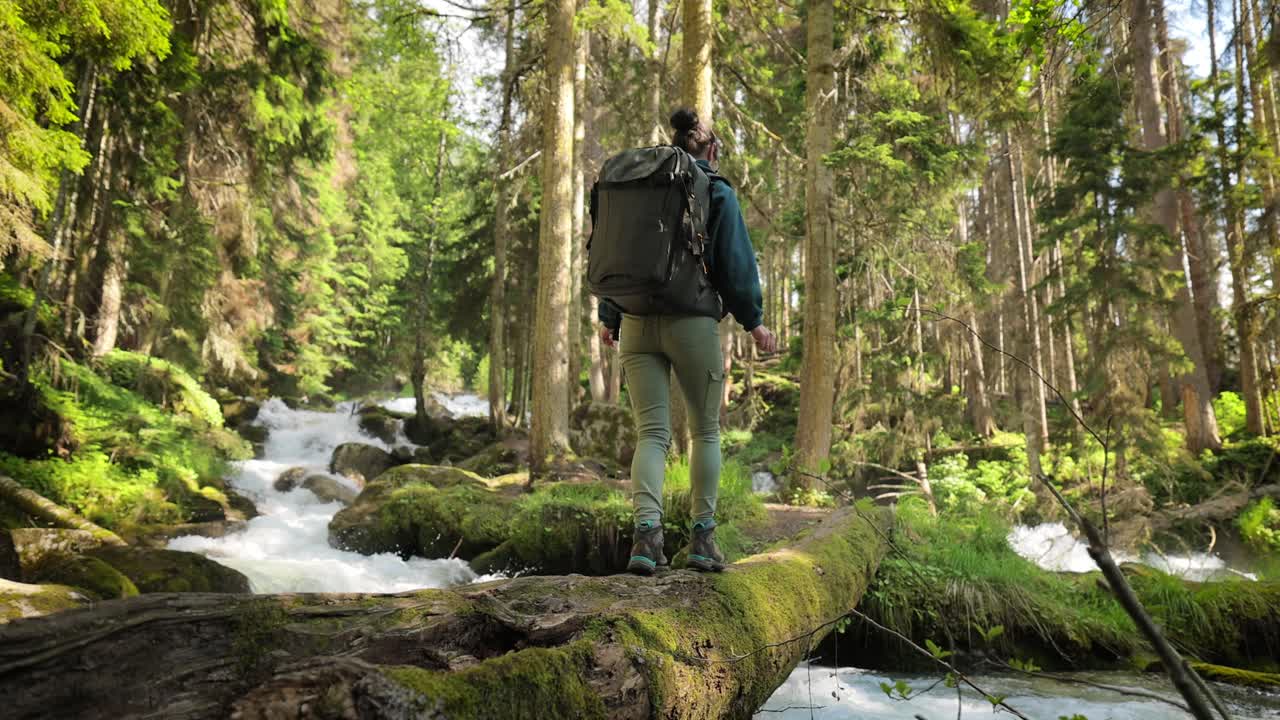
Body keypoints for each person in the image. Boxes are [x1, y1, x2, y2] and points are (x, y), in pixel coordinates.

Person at [598, 108, 777, 575]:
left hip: (636, 322)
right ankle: (702, 540)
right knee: (705, 431)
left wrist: (610, 314)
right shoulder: (714, 189)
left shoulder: (643, 188)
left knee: (651, 434)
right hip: (691, 323)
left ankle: (646, 540)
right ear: (712, 150)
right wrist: (754, 323)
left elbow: (624, 254)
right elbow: (734, 265)